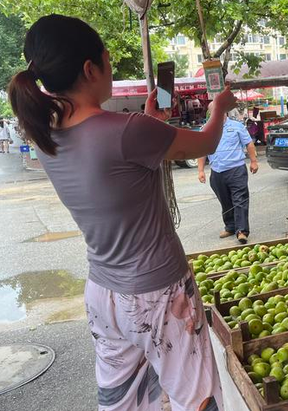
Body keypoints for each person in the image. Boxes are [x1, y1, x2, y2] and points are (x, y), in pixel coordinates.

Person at [8, 14, 237, 411]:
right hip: (159, 294)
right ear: (89, 68)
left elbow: (114, 164)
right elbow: (206, 142)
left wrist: (151, 121)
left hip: (103, 293)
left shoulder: (46, 136)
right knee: (194, 398)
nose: (111, 69)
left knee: (123, 403)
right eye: (108, 60)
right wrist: (219, 106)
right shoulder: (127, 130)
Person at [198, 114, 258, 244]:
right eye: (213, 111)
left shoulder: (237, 126)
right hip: (217, 171)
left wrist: (253, 161)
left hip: (236, 169)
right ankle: (231, 227)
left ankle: (242, 231)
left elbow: (249, 144)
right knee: (225, 201)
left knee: (240, 200)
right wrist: (201, 170)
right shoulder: (206, 129)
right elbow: (202, 150)